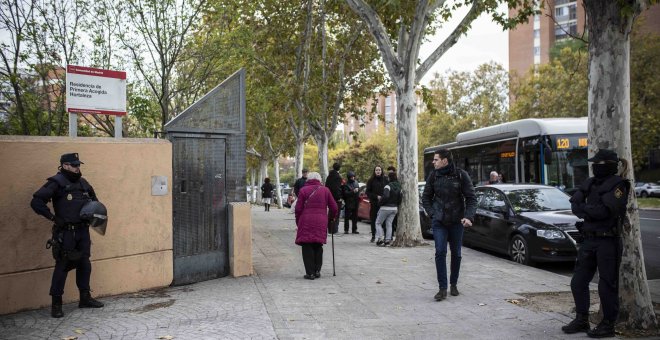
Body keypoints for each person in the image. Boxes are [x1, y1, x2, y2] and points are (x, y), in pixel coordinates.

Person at [562, 149, 629, 338]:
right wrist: (588, 210)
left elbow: (605, 212)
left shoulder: (619, 185)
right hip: (589, 240)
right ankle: (582, 319)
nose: (594, 167)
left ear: (608, 165)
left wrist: (585, 209)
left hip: (608, 241)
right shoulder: (591, 183)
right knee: (578, 282)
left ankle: (608, 325)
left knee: (606, 285)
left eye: (598, 164)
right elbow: (575, 203)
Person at [30, 153, 104, 318]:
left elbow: (95, 203)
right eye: (74, 165)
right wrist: (53, 218)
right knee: (62, 266)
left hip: (83, 231)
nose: (78, 168)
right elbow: (36, 202)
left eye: (78, 165)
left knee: (85, 263)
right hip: (66, 233)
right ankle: (56, 304)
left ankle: (85, 298)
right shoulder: (56, 183)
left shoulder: (83, 183)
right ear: (64, 166)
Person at [422, 149, 476, 301]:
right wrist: (433, 214)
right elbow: (425, 197)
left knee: (456, 253)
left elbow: (471, 198)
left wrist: (468, 216)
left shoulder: (461, 175)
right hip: (439, 221)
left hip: (457, 221)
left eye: (436, 159)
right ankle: (442, 288)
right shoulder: (433, 176)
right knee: (440, 252)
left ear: (445, 160)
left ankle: (454, 284)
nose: (433, 162)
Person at [295, 172, 339, 280]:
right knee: (318, 245)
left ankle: (310, 273)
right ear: (319, 180)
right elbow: (334, 208)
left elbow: (298, 209)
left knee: (307, 246)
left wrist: (298, 221)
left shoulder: (303, 190)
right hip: (321, 220)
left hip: (306, 220)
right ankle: (317, 271)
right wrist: (332, 218)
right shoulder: (325, 190)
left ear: (308, 180)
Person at [374, 171, 401, 246]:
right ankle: (388, 240)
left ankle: (380, 239)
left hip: (386, 208)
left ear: (389, 178)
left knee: (378, 223)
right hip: (394, 208)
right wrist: (396, 204)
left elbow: (385, 196)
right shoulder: (399, 186)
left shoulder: (387, 186)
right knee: (389, 224)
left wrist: (380, 203)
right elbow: (400, 198)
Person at [366, 166, 388, 243]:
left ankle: (384, 236)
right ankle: (373, 236)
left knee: (384, 221)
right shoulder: (371, 180)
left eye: (379, 170)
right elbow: (368, 192)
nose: (378, 171)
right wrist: (376, 196)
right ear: (374, 171)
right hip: (374, 203)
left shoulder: (385, 179)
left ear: (381, 171)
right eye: (376, 170)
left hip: (384, 204)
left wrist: (384, 197)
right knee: (374, 220)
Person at [325, 162, 343, 234]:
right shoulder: (338, 177)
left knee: (330, 213)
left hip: (329, 197)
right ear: (339, 168)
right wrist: (339, 197)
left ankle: (329, 229)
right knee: (336, 214)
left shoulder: (329, 176)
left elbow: (327, 186)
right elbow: (337, 188)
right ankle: (334, 230)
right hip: (336, 198)